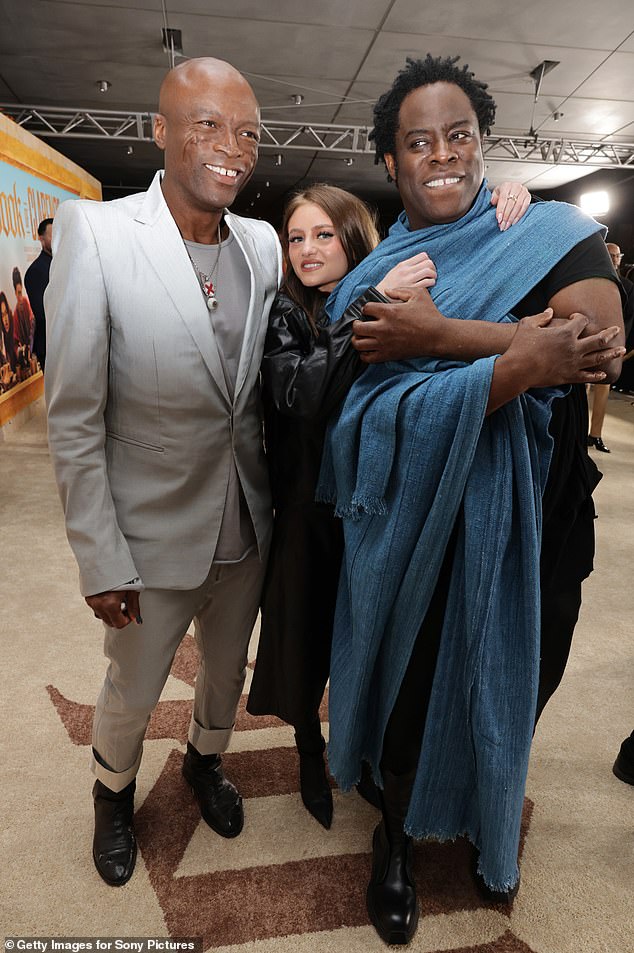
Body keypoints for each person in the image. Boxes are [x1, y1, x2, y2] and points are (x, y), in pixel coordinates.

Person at [316, 55, 624, 945]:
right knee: (412, 679)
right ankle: (399, 837)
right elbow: (359, 416)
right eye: (420, 142)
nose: (442, 155)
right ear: (390, 162)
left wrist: (445, 337)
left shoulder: (548, 226)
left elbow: (597, 345)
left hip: (544, 507)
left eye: (460, 137)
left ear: (484, 145)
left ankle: (477, 786)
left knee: (529, 666)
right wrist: (516, 354)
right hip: (415, 524)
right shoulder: (373, 277)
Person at [44, 57, 281, 888]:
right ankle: (113, 792)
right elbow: (74, 417)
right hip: (145, 539)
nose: (232, 147)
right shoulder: (96, 233)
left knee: (227, 672)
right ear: (160, 131)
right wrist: (99, 555)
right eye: (208, 125)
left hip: (247, 526)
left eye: (248, 131)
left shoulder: (262, 245)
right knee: (134, 684)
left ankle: (204, 761)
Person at [247, 180, 531, 829]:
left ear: (354, 238)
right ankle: (307, 751)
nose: (307, 249)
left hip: (376, 504)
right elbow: (301, 392)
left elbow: (470, 254)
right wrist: (373, 302)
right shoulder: (286, 313)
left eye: (323, 234)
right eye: (296, 237)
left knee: (370, 639)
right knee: (303, 644)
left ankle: (366, 753)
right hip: (306, 510)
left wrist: (507, 195)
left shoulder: (401, 296)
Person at [24, 217, 53, 371]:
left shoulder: (63, 264)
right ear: (41, 239)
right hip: (51, 346)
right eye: (52, 235)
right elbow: (42, 314)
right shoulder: (36, 271)